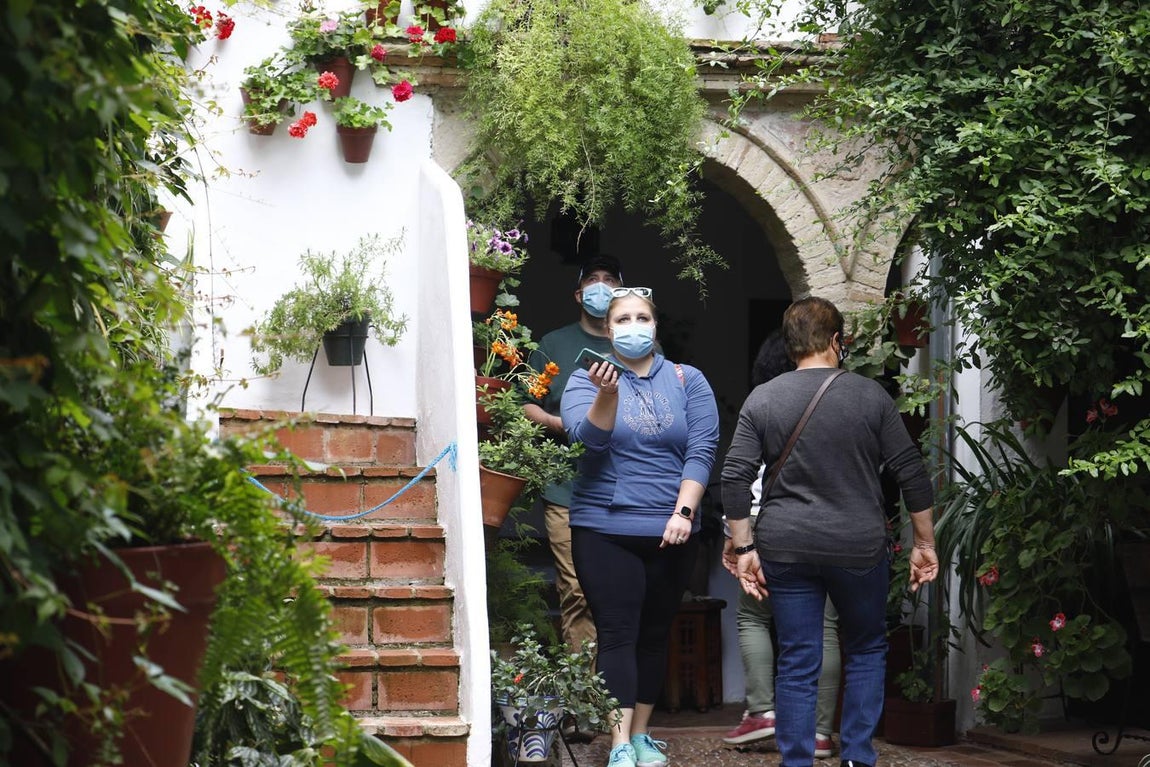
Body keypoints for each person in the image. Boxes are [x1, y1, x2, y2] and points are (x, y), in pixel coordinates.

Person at [721, 297, 939, 767]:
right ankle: (857, 756)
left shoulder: (764, 397)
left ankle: (796, 761)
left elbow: (735, 477)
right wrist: (924, 543)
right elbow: (911, 473)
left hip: (785, 545)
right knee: (865, 648)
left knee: (798, 655)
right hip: (858, 547)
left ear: (790, 344)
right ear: (838, 342)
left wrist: (744, 547)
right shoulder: (870, 396)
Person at [561, 286, 720, 767]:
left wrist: (684, 513)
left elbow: (703, 449)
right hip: (604, 529)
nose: (634, 326)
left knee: (656, 634)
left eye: (642, 317)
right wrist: (606, 395)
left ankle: (643, 734)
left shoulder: (687, 379)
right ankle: (619, 743)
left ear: (656, 324)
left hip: (671, 528)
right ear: (608, 330)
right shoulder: (584, 381)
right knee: (616, 633)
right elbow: (587, 443)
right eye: (623, 319)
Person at [720, 330, 841, 759]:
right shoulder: (836, 400)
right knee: (824, 626)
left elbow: (741, 474)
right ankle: (821, 731)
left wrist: (733, 537)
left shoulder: (761, 402)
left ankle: (763, 712)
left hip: (761, 520)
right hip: (824, 522)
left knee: (753, 617)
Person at [523, 254, 624, 655]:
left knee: (619, 591)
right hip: (566, 487)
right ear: (579, 294)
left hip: (624, 488)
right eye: (593, 280)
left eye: (610, 280)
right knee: (577, 590)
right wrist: (561, 424)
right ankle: (586, 704)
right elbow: (523, 402)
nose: (602, 286)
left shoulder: (638, 344)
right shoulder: (553, 344)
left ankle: (618, 699)